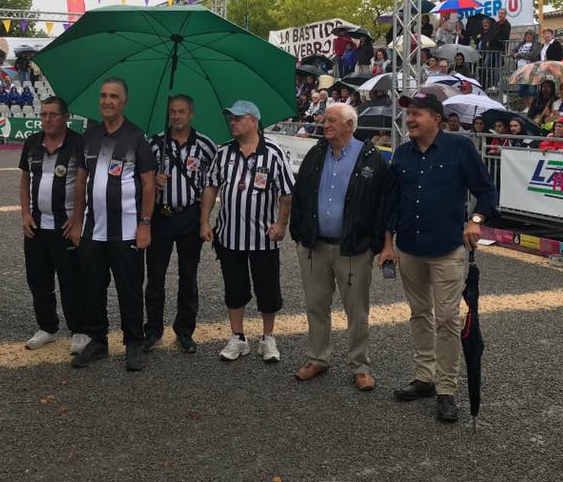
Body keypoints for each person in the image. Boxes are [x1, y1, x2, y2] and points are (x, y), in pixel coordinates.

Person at [381, 91, 497, 423]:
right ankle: (424, 378)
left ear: (437, 119)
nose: (411, 119)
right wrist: (388, 243)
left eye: (417, 113)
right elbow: (391, 203)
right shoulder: (401, 154)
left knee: (447, 319)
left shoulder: (459, 148)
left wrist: (475, 221)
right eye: (409, 114)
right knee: (419, 314)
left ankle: (446, 389)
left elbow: (487, 191)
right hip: (409, 249)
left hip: (447, 250)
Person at [288, 103, 389, 390]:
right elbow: (300, 194)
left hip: (354, 248)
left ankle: (360, 365)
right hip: (314, 245)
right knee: (315, 305)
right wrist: (298, 234)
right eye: (325, 120)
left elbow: (382, 203)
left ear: (349, 125)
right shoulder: (316, 153)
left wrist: (375, 243)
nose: (325, 124)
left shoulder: (371, 158)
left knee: (356, 310)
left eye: (332, 120)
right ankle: (317, 358)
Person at [69, 78, 156, 372]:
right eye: (104, 96)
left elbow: (148, 184)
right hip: (93, 229)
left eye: (114, 97)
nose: (107, 101)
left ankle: (133, 342)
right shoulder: (88, 137)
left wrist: (145, 225)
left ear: (124, 102)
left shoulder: (137, 138)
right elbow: (81, 181)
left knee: (129, 288)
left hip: (128, 229)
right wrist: (77, 219)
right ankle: (98, 341)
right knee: (92, 287)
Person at [200, 101, 294, 363]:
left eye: (237, 118)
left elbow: (287, 192)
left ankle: (268, 337)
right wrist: (204, 221)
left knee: (268, 289)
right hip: (230, 235)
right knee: (234, 287)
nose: (232, 122)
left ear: (253, 121)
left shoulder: (274, 153)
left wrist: (281, 224)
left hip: (264, 238)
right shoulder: (224, 152)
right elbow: (211, 186)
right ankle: (238, 337)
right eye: (230, 118)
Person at [144, 95, 217, 355]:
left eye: (182, 112)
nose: (176, 116)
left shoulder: (206, 146)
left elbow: (211, 183)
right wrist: (154, 179)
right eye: (173, 112)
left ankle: (185, 331)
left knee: (188, 275)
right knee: (155, 276)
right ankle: (152, 330)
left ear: (191, 114)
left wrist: (204, 220)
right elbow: (141, 178)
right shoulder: (154, 143)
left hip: (189, 215)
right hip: (161, 217)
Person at [18, 97, 88, 354]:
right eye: (43, 114)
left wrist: (78, 218)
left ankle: (79, 330)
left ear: (65, 117)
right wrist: (25, 213)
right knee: (38, 279)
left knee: (71, 280)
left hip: (65, 225)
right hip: (36, 225)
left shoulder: (78, 144)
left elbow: (84, 182)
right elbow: (26, 179)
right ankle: (47, 326)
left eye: (53, 115)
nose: (47, 119)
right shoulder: (33, 142)